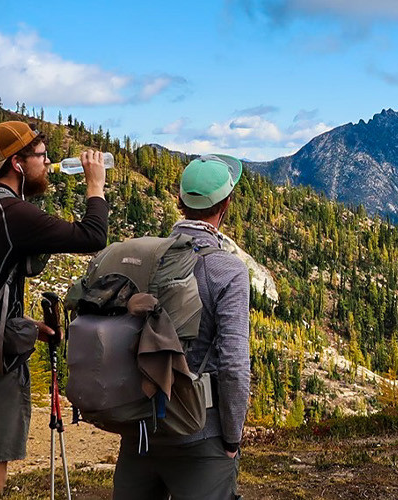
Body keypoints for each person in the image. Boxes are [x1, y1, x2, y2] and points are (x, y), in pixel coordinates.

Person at [0, 120, 110, 500]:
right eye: (41, 156)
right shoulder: (12, 213)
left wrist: (25, 323)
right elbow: (93, 236)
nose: (47, 163)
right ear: (17, 163)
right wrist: (95, 186)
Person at [113, 154, 252, 500]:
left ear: (179, 200)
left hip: (141, 426)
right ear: (226, 205)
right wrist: (232, 438)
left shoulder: (146, 257)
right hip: (200, 430)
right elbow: (234, 365)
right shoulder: (228, 270)